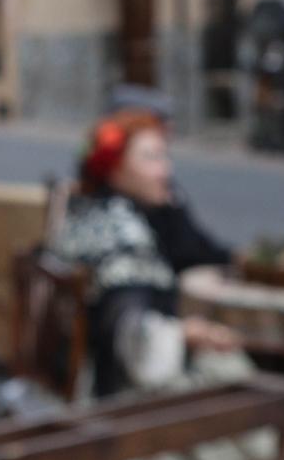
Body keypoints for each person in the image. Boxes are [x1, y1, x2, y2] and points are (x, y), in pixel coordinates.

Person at [52, 110, 241, 398]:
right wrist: (186, 333)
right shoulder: (120, 234)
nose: (164, 170)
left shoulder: (98, 212)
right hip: (124, 394)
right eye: (151, 158)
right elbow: (131, 335)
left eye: (165, 157)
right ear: (114, 169)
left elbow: (199, 251)